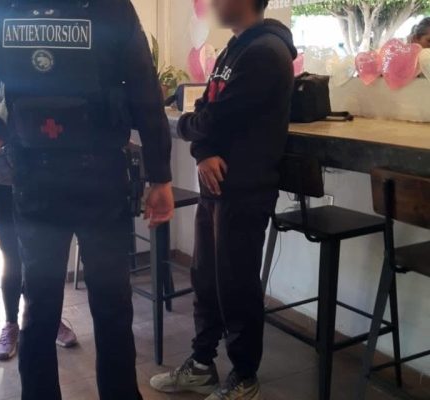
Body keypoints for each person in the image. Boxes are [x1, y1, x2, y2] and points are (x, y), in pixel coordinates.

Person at [0, 0, 174, 399]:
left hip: (35, 177)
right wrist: (160, 176)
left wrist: (3, 131)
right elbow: (145, 95)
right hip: (100, 179)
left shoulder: (2, 9)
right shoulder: (111, 9)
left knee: (40, 306)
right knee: (113, 307)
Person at [150, 0, 297, 398]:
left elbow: (212, 119)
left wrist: (187, 128)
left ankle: (244, 376)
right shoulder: (235, 47)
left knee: (236, 284)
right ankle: (202, 364)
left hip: (245, 187)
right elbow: (207, 108)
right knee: (206, 277)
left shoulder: (266, 52)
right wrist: (202, 151)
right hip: (217, 184)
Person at [0, 73, 77, 361]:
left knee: (47, 254)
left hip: (43, 175)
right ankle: (11, 324)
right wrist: (28, 105)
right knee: (11, 254)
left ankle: (49, 318)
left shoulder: (42, 69)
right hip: (3, 177)